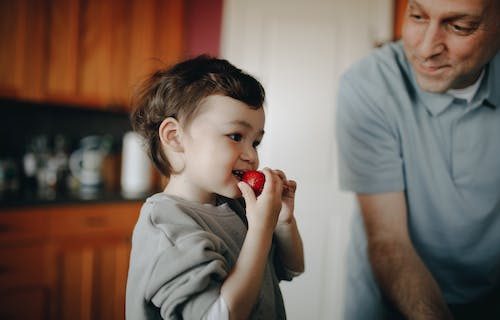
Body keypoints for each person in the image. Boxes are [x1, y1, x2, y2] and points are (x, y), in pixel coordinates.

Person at [336, 0, 500, 319]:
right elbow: (389, 241)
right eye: (417, 16)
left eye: (459, 26)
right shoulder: (367, 85)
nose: (426, 49)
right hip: (389, 299)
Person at [125, 55, 304, 320]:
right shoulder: (167, 226)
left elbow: (292, 269)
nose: (251, 156)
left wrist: (282, 222)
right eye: (235, 137)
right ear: (175, 138)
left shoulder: (236, 206)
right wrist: (261, 229)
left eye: (255, 142)